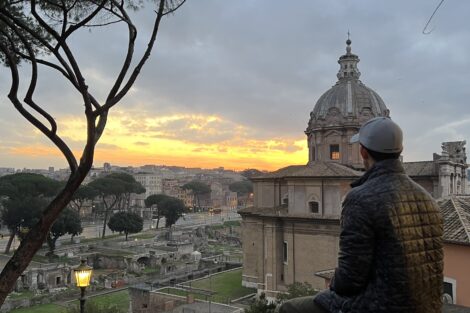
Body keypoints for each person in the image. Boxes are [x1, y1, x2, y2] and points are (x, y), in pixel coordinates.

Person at [277, 117, 443, 313]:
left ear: (363, 151)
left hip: (381, 305)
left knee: (289, 308)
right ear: (399, 151)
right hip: (426, 305)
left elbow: (349, 280)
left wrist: (331, 287)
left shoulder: (360, 198)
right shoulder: (428, 198)